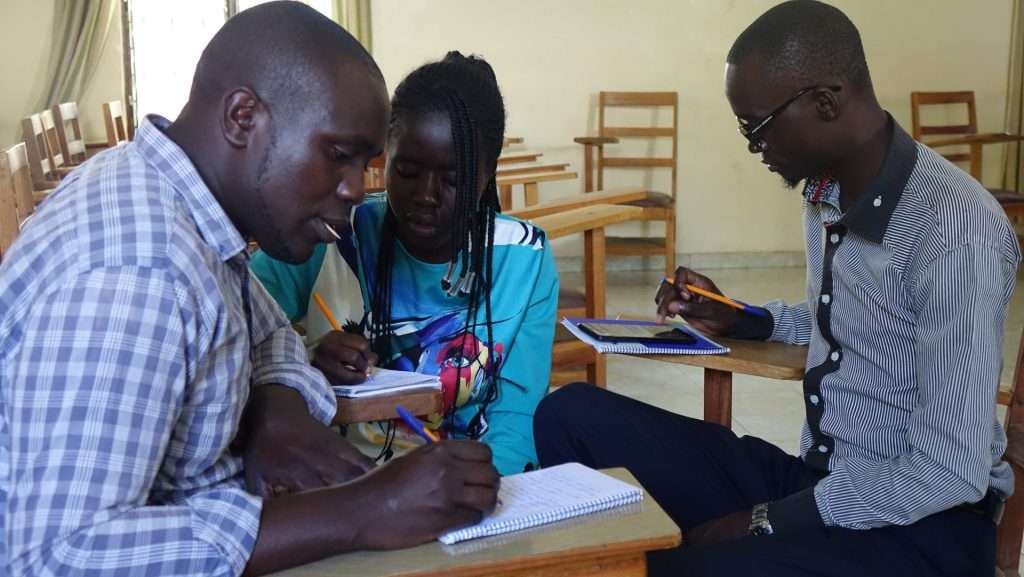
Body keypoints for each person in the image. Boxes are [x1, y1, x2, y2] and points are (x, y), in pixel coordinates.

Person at [0, 3, 499, 576]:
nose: (357, 190)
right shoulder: (138, 271)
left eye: (365, 165)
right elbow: (56, 556)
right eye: (338, 155)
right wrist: (363, 509)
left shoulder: (188, 210)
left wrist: (274, 410)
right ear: (242, 118)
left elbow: (271, 339)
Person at [533, 1, 1020, 576]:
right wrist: (743, 318)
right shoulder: (826, 193)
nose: (752, 147)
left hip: (921, 528)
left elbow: (948, 469)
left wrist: (765, 520)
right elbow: (846, 323)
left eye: (755, 128)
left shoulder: (955, 225)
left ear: (826, 103)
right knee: (568, 415)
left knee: (677, 567)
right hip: (824, 482)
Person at [252, 52, 559, 476]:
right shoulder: (333, 232)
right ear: (386, 156)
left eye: (452, 180)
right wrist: (303, 360)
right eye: (408, 171)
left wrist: (484, 493)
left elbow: (517, 416)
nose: (427, 195)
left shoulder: (524, 260)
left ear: (488, 173)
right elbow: (227, 338)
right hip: (342, 484)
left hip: (469, 482)